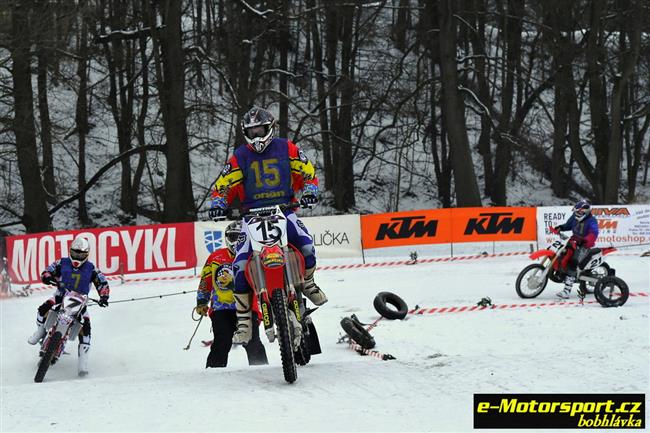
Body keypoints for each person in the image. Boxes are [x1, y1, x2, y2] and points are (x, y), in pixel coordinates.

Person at [208, 106, 328, 343]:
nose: (256, 135)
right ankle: (244, 322)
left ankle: (309, 283)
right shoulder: (240, 155)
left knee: (306, 245)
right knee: (239, 264)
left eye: (259, 130)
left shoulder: (286, 147)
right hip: (250, 216)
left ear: (269, 128)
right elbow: (223, 183)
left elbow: (307, 170)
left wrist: (311, 189)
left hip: (284, 209)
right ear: (245, 132)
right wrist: (218, 202)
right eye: (251, 132)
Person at [27, 236, 110, 376]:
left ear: (87, 254)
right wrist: (47, 277)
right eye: (75, 253)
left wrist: (104, 296)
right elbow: (47, 271)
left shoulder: (92, 268)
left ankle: (83, 362)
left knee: (86, 327)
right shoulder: (62, 262)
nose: (77, 256)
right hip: (61, 294)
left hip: (81, 300)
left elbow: (102, 282)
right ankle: (41, 331)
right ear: (70, 251)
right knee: (43, 309)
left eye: (81, 254)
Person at [196, 221, 268, 367]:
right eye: (233, 237)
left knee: (253, 342)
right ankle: (214, 373)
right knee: (222, 341)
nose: (236, 241)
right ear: (227, 237)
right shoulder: (215, 257)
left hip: (248, 308)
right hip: (221, 309)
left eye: (241, 237)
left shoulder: (255, 256)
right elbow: (206, 280)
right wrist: (201, 302)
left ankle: (261, 370)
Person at [550, 199, 599, 299]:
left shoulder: (592, 221)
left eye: (579, 212)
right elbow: (568, 225)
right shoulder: (574, 217)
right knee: (561, 255)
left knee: (573, 262)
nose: (577, 213)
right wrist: (560, 227)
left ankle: (567, 291)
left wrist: (585, 240)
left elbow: (594, 234)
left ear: (585, 212)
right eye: (576, 211)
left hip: (584, 245)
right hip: (573, 241)